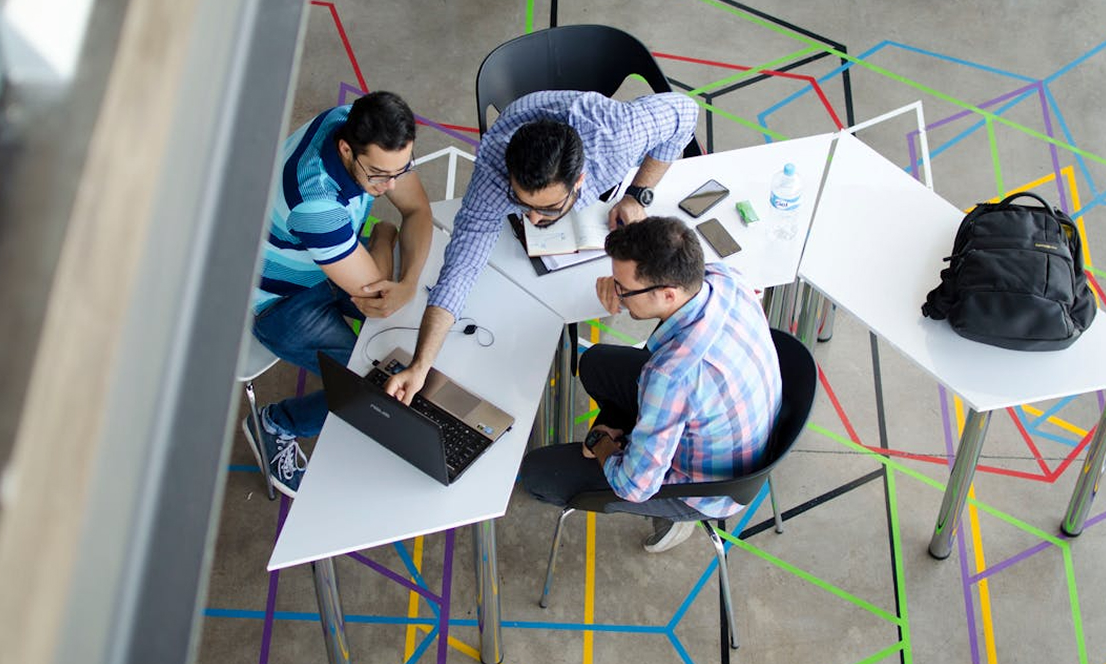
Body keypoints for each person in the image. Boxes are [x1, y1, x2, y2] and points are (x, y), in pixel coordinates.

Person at [384, 90, 699, 405]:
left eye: (548, 209)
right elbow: (461, 268)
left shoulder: (618, 136)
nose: (533, 219)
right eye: (522, 204)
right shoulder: (494, 171)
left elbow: (686, 112)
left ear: (579, 181)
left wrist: (638, 192)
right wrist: (421, 364)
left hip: (594, 127)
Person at [518, 216, 782, 552]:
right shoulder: (724, 278)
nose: (617, 294)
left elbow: (633, 485)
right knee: (596, 363)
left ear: (668, 294)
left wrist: (602, 442)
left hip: (705, 488)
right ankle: (638, 436)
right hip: (738, 430)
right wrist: (617, 284)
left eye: (623, 289)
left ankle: (673, 518)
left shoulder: (671, 376)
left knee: (538, 473)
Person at [243, 91, 433, 497]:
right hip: (280, 301)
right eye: (380, 175)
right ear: (346, 150)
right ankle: (276, 423)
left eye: (402, 170)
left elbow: (417, 210)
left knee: (408, 328)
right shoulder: (316, 204)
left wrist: (410, 280)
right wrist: (384, 237)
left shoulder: (357, 123)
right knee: (369, 385)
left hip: (328, 261)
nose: (392, 185)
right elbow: (379, 298)